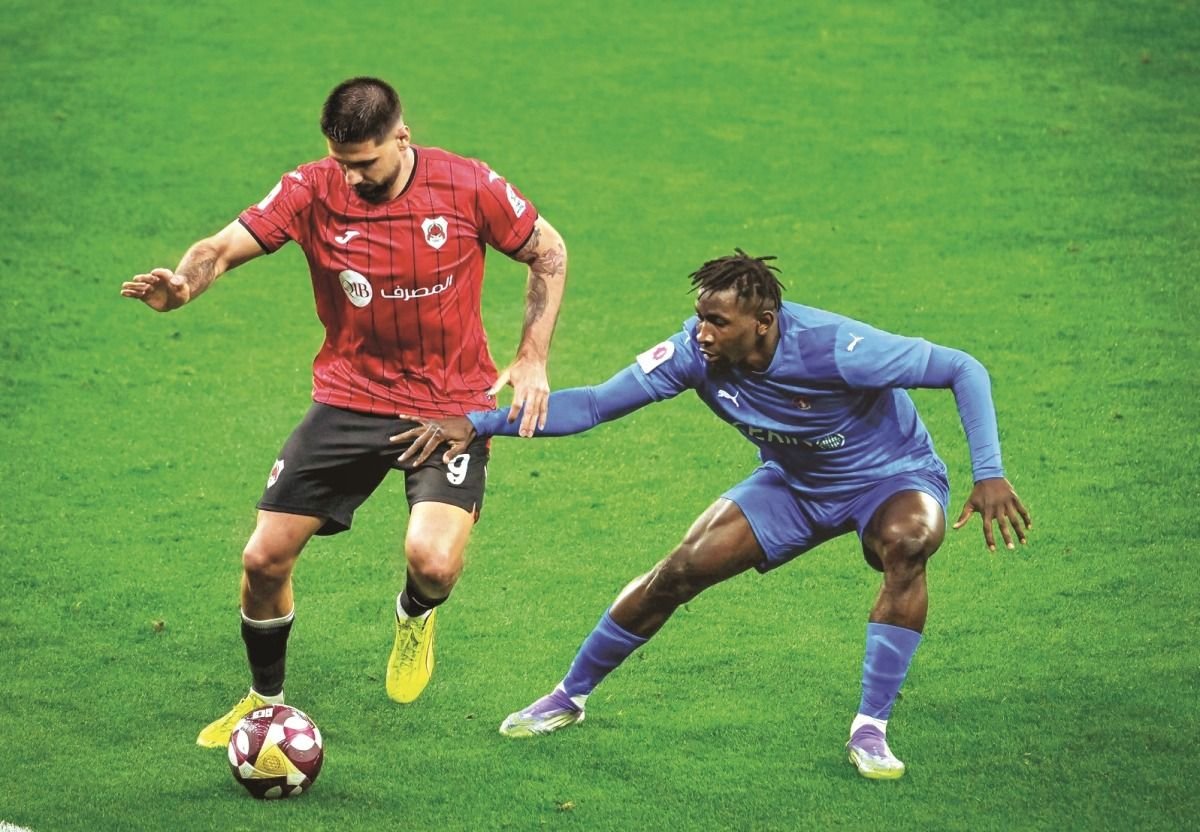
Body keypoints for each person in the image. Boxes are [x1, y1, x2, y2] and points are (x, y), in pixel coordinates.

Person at [393, 249, 1030, 780]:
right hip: (795, 485)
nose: (702, 332)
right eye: (700, 317)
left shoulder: (838, 348)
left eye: (717, 322)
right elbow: (593, 405)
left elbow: (961, 368)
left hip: (890, 479)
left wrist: (990, 473)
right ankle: (568, 695)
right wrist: (478, 423)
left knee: (908, 542)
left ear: (764, 323)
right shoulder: (693, 355)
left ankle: (870, 728)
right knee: (679, 571)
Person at [120, 77, 569, 747]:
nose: (352, 177)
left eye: (365, 162)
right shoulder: (311, 189)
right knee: (263, 559)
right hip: (349, 397)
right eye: (342, 162)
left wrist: (531, 356)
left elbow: (548, 250)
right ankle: (264, 703)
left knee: (434, 562)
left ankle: (415, 616)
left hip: (448, 404)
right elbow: (220, 246)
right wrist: (186, 283)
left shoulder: (467, 184)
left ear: (402, 136)